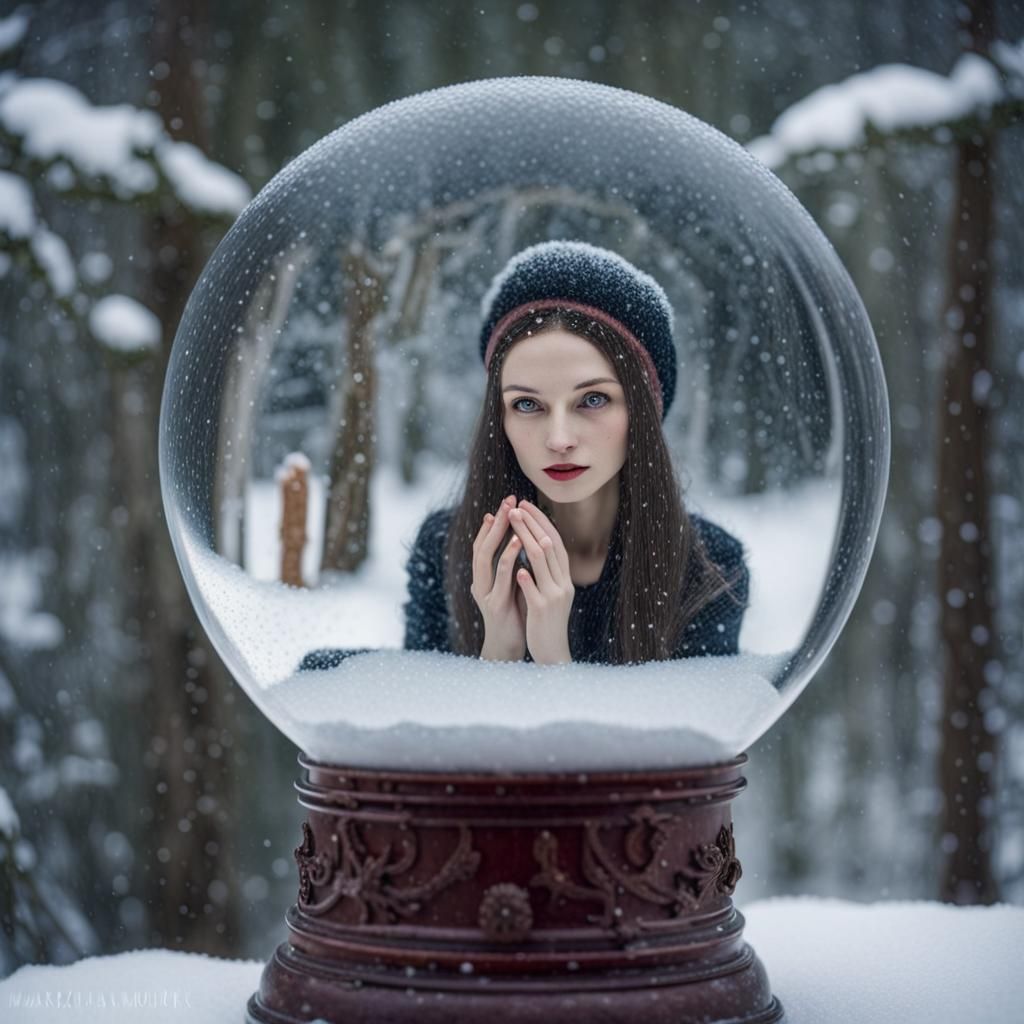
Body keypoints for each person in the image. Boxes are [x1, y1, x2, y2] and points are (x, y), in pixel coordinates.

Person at [403, 240, 749, 666]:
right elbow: (420, 707)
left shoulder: (709, 567)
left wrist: (552, 660)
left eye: (593, 400)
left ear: (641, 412)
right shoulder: (447, 548)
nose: (559, 439)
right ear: (499, 419)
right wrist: (499, 652)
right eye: (526, 404)